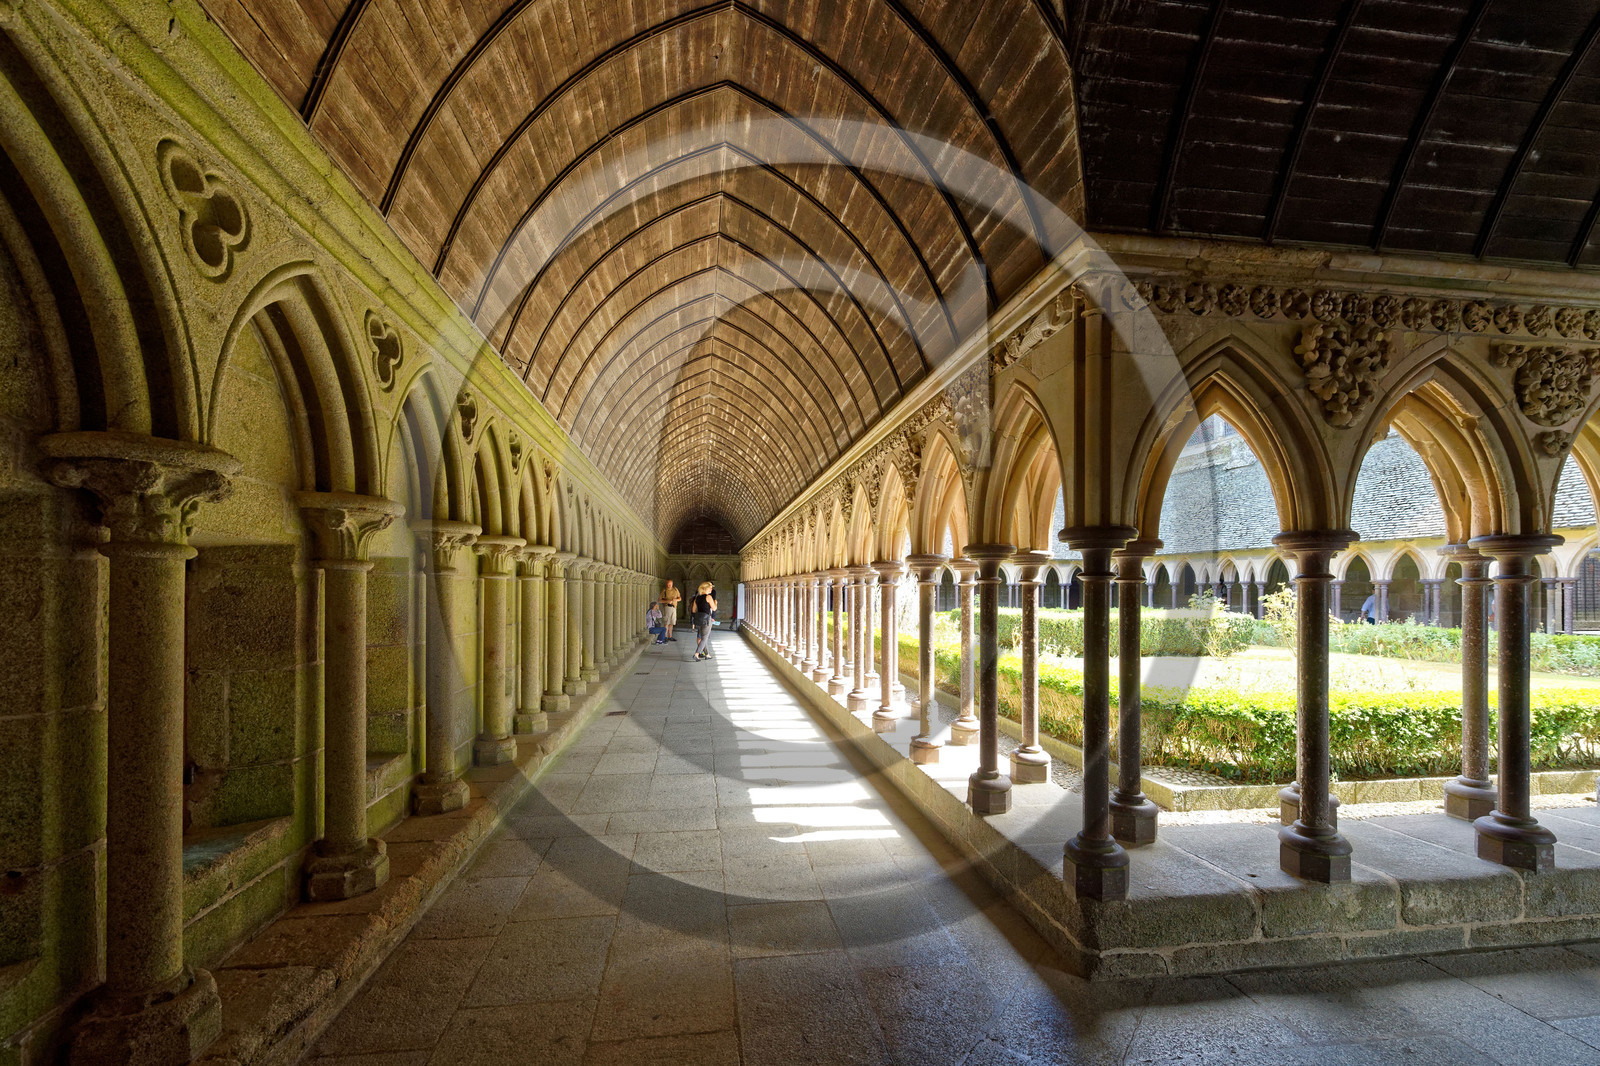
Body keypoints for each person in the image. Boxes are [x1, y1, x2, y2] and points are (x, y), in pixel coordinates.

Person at [690, 582, 717, 661]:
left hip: (699, 619)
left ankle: (707, 654)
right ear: (705, 588)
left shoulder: (697, 598)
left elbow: (693, 610)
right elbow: (714, 608)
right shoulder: (708, 597)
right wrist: (715, 602)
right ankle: (696, 654)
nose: (711, 589)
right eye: (710, 588)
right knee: (704, 638)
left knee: (703, 637)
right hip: (706, 619)